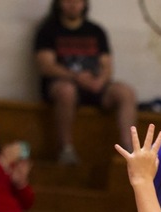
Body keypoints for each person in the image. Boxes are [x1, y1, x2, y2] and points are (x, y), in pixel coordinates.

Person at [34, 0, 137, 163]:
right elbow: (46, 65)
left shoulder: (96, 31)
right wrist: (76, 77)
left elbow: (107, 66)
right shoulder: (48, 30)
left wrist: (100, 81)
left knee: (125, 92)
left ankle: (129, 150)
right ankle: (66, 149)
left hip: (95, 86)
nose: (73, 4)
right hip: (62, 86)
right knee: (66, 91)